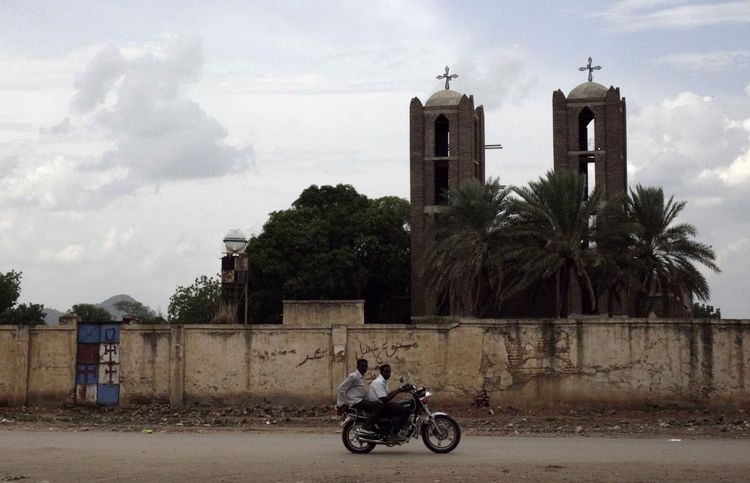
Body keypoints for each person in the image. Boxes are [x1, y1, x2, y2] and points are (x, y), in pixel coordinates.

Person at [337, 358, 384, 434]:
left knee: (378, 404)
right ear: (357, 367)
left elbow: (360, 392)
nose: (364, 368)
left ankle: (375, 427)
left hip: (360, 401)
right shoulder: (353, 376)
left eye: (365, 366)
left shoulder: (361, 377)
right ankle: (366, 427)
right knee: (378, 405)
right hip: (356, 402)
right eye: (362, 366)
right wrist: (340, 404)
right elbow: (340, 388)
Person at [368, 363, 411, 442]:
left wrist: (402, 389)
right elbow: (385, 399)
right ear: (381, 372)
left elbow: (388, 394)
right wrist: (399, 390)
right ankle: (394, 433)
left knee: (400, 405)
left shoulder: (384, 381)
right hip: (379, 407)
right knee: (406, 411)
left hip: (382, 405)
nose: (388, 374)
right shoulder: (379, 382)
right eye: (386, 372)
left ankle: (395, 429)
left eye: (389, 372)